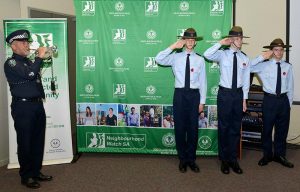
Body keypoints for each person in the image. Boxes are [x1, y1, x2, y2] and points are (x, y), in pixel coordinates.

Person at [4, 29, 53, 189]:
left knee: (38, 140)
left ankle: (36, 171)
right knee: (25, 142)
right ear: (14, 46)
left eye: (27, 42)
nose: (27, 45)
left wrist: (42, 57)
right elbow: (31, 74)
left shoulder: (27, 61)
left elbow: (33, 74)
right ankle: (26, 176)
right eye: (23, 42)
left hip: (37, 105)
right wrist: (39, 57)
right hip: (23, 107)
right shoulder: (11, 63)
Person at [155, 28, 207, 173]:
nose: (190, 42)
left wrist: (202, 102)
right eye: (187, 39)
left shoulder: (200, 59)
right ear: (183, 41)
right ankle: (182, 159)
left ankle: (191, 159)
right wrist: (173, 46)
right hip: (179, 95)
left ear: (195, 42)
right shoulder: (175, 57)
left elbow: (203, 82)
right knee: (179, 128)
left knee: (193, 129)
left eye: (192, 39)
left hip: (194, 95)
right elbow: (158, 58)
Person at [204, 26, 250, 175]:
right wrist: (220, 43)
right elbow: (207, 54)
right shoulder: (222, 54)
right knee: (224, 127)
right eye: (237, 38)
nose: (240, 41)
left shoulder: (244, 58)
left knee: (235, 128)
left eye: (241, 38)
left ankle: (233, 159)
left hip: (238, 95)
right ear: (231, 40)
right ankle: (224, 159)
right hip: (224, 94)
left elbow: (246, 81)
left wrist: (244, 99)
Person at [250, 38, 294, 168]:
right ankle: (267, 155)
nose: (279, 53)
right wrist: (261, 57)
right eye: (276, 50)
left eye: (281, 50)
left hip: (283, 101)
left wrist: (289, 105)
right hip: (270, 100)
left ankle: (280, 155)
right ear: (271, 51)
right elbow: (248, 67)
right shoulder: (263, 65)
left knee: (282, 130)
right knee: (267, 129)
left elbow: (290, 87)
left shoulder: (288, 66)